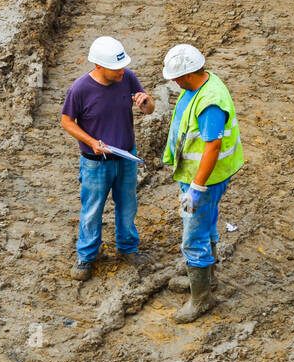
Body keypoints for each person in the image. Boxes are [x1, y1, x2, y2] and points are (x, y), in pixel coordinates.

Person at [61, 36, 154, 281]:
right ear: (99, 66)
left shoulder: (128, 78)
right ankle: (86, 256)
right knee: (92, 210)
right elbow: (66, 122)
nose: (122, 71)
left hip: (126, 156)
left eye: (123, 66)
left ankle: (128, 248)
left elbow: (149, 108)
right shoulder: (79, 89)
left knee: (128, 205)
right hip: (95, 162)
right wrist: (92, 142)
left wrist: (146, 103)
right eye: (117, 68)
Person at [162, 44, 244, 323]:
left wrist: (196, 188)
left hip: (204, 181)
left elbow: (212, 147)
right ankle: (207, 281)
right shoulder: (200, 85)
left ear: (185, 76)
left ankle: (201, 299)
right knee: (206, 226)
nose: (172, 82)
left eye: (175, 77)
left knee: (194, 235)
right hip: (197, 177)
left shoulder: (210, 102)